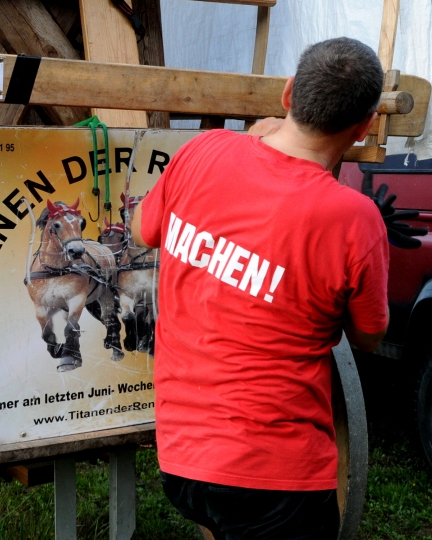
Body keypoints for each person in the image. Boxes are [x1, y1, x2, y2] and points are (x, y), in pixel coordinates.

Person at [132, 37, 390, 540]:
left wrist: (246, 143)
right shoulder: (354, 219)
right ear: (365, 127)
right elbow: (369, 337)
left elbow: (143, 227)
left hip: (182, 460)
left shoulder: (202, 151)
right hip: (275, 478)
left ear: (288, 93)